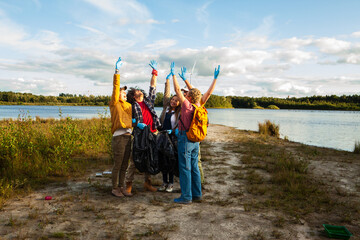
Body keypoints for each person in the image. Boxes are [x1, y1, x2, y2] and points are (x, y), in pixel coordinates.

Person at [171, 63, 220, 204]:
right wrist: (215, 79)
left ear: (189, 98)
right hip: (196, 140)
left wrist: (174, 75)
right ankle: (197, 194)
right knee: (194, 168)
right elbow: (208, 93)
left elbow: (177, 90)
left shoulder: (187, 106)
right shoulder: (200, 104)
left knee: (185, 168)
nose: (184, 95)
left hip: (185, 139)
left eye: (187, 94)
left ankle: (186, 197)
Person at [124, 60, 161, 194]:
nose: (140, 91)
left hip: (152, 133)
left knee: (150, 158)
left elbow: (153, 86)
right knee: (134, 160)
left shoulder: (148, 101)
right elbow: (127, 120)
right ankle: (128, 184)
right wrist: (135, 123)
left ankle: (147, 183)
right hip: (139, 135)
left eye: (140, 90)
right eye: (137, 91)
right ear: (134, 96)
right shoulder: (131, 106)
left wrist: (154, 73)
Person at [109, 57, 133, 197]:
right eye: (122, 93)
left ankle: (122, 187)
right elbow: (115, 87)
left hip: (128, 136)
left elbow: (130, 119)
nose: (124, 94)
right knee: (117, 164)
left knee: (125, 165)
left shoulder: (128, 106)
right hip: (118, 137)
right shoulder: (114, 104)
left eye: (125, 93)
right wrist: (117, 71)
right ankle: (114, 188)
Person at [158, 62, 181, 193]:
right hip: (162, 136)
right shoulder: (166, 107)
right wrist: (167, 80)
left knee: (170, 160)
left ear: (179, 103)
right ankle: (164, 182)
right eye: (172, 99)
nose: (173, 101)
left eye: (175, 101)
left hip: (172, 137)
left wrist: (172, 131)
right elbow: (166, 94)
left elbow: (177, 125)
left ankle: (171, 184)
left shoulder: (179, 112)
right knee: (162, 160)